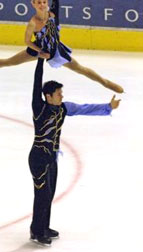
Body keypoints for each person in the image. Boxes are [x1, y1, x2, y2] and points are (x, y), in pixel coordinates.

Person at [29, 57, 121, 247]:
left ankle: (43, 227)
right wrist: (39, 60)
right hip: (38, 157)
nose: (61, 95)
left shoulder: (63, 108)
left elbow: (84, 108)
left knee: (50, 193)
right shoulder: (39, 108)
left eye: (61, 93)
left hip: (52, 157)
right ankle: (37, 232)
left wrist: (107, 107)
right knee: (42, 195)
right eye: (58, 93)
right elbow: (36, 83)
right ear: (48, 96)